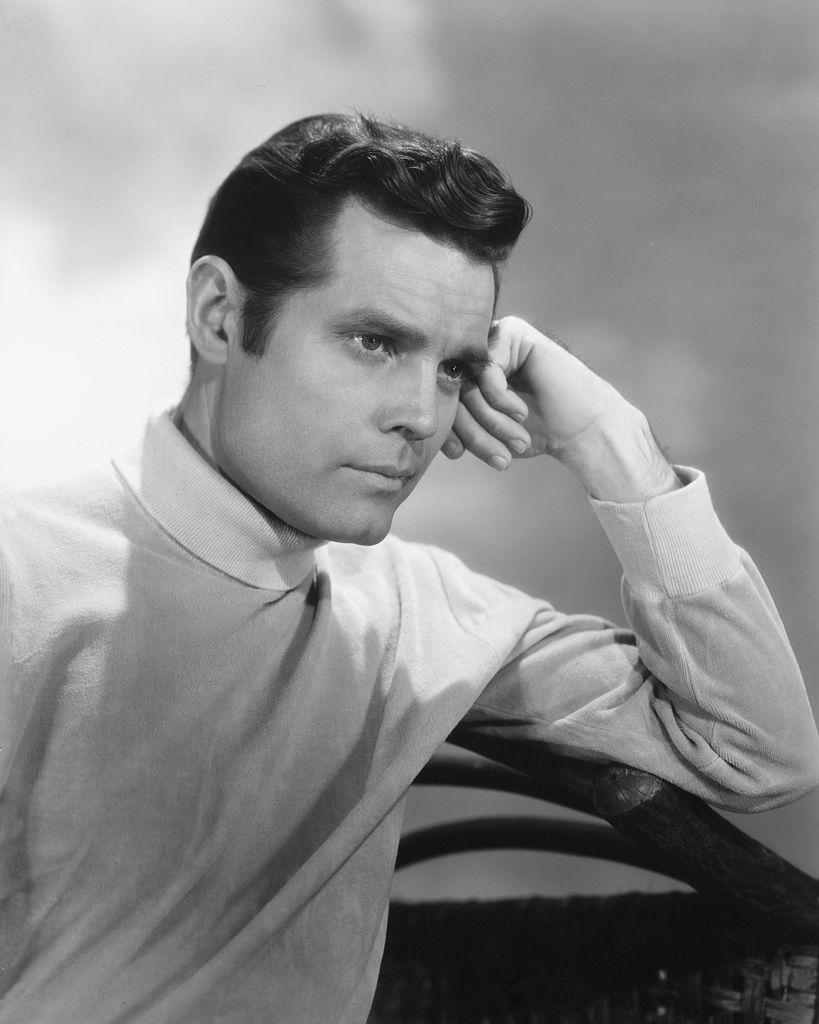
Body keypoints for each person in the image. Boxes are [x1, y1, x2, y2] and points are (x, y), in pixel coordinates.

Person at [0, 112, 817, 1024]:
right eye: (375, 342)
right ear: (219, 315)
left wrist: (613, 446)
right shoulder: (19, 574)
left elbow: (759, 755)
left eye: (454, 368)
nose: (420, 418)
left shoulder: (423, 615)